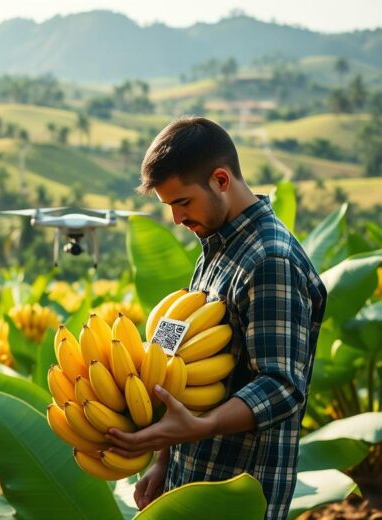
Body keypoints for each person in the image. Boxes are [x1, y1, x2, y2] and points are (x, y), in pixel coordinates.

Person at [106, 117, 327, 519]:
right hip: (189, 476)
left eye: (183, 202)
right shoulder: (216, 248)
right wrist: (163, 460)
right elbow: (175, 360)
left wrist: (200, 427)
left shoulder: (270, 260)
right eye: (170, 207)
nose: (177, 219)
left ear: (221, 180)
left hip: (235, 490)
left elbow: (282, 386)